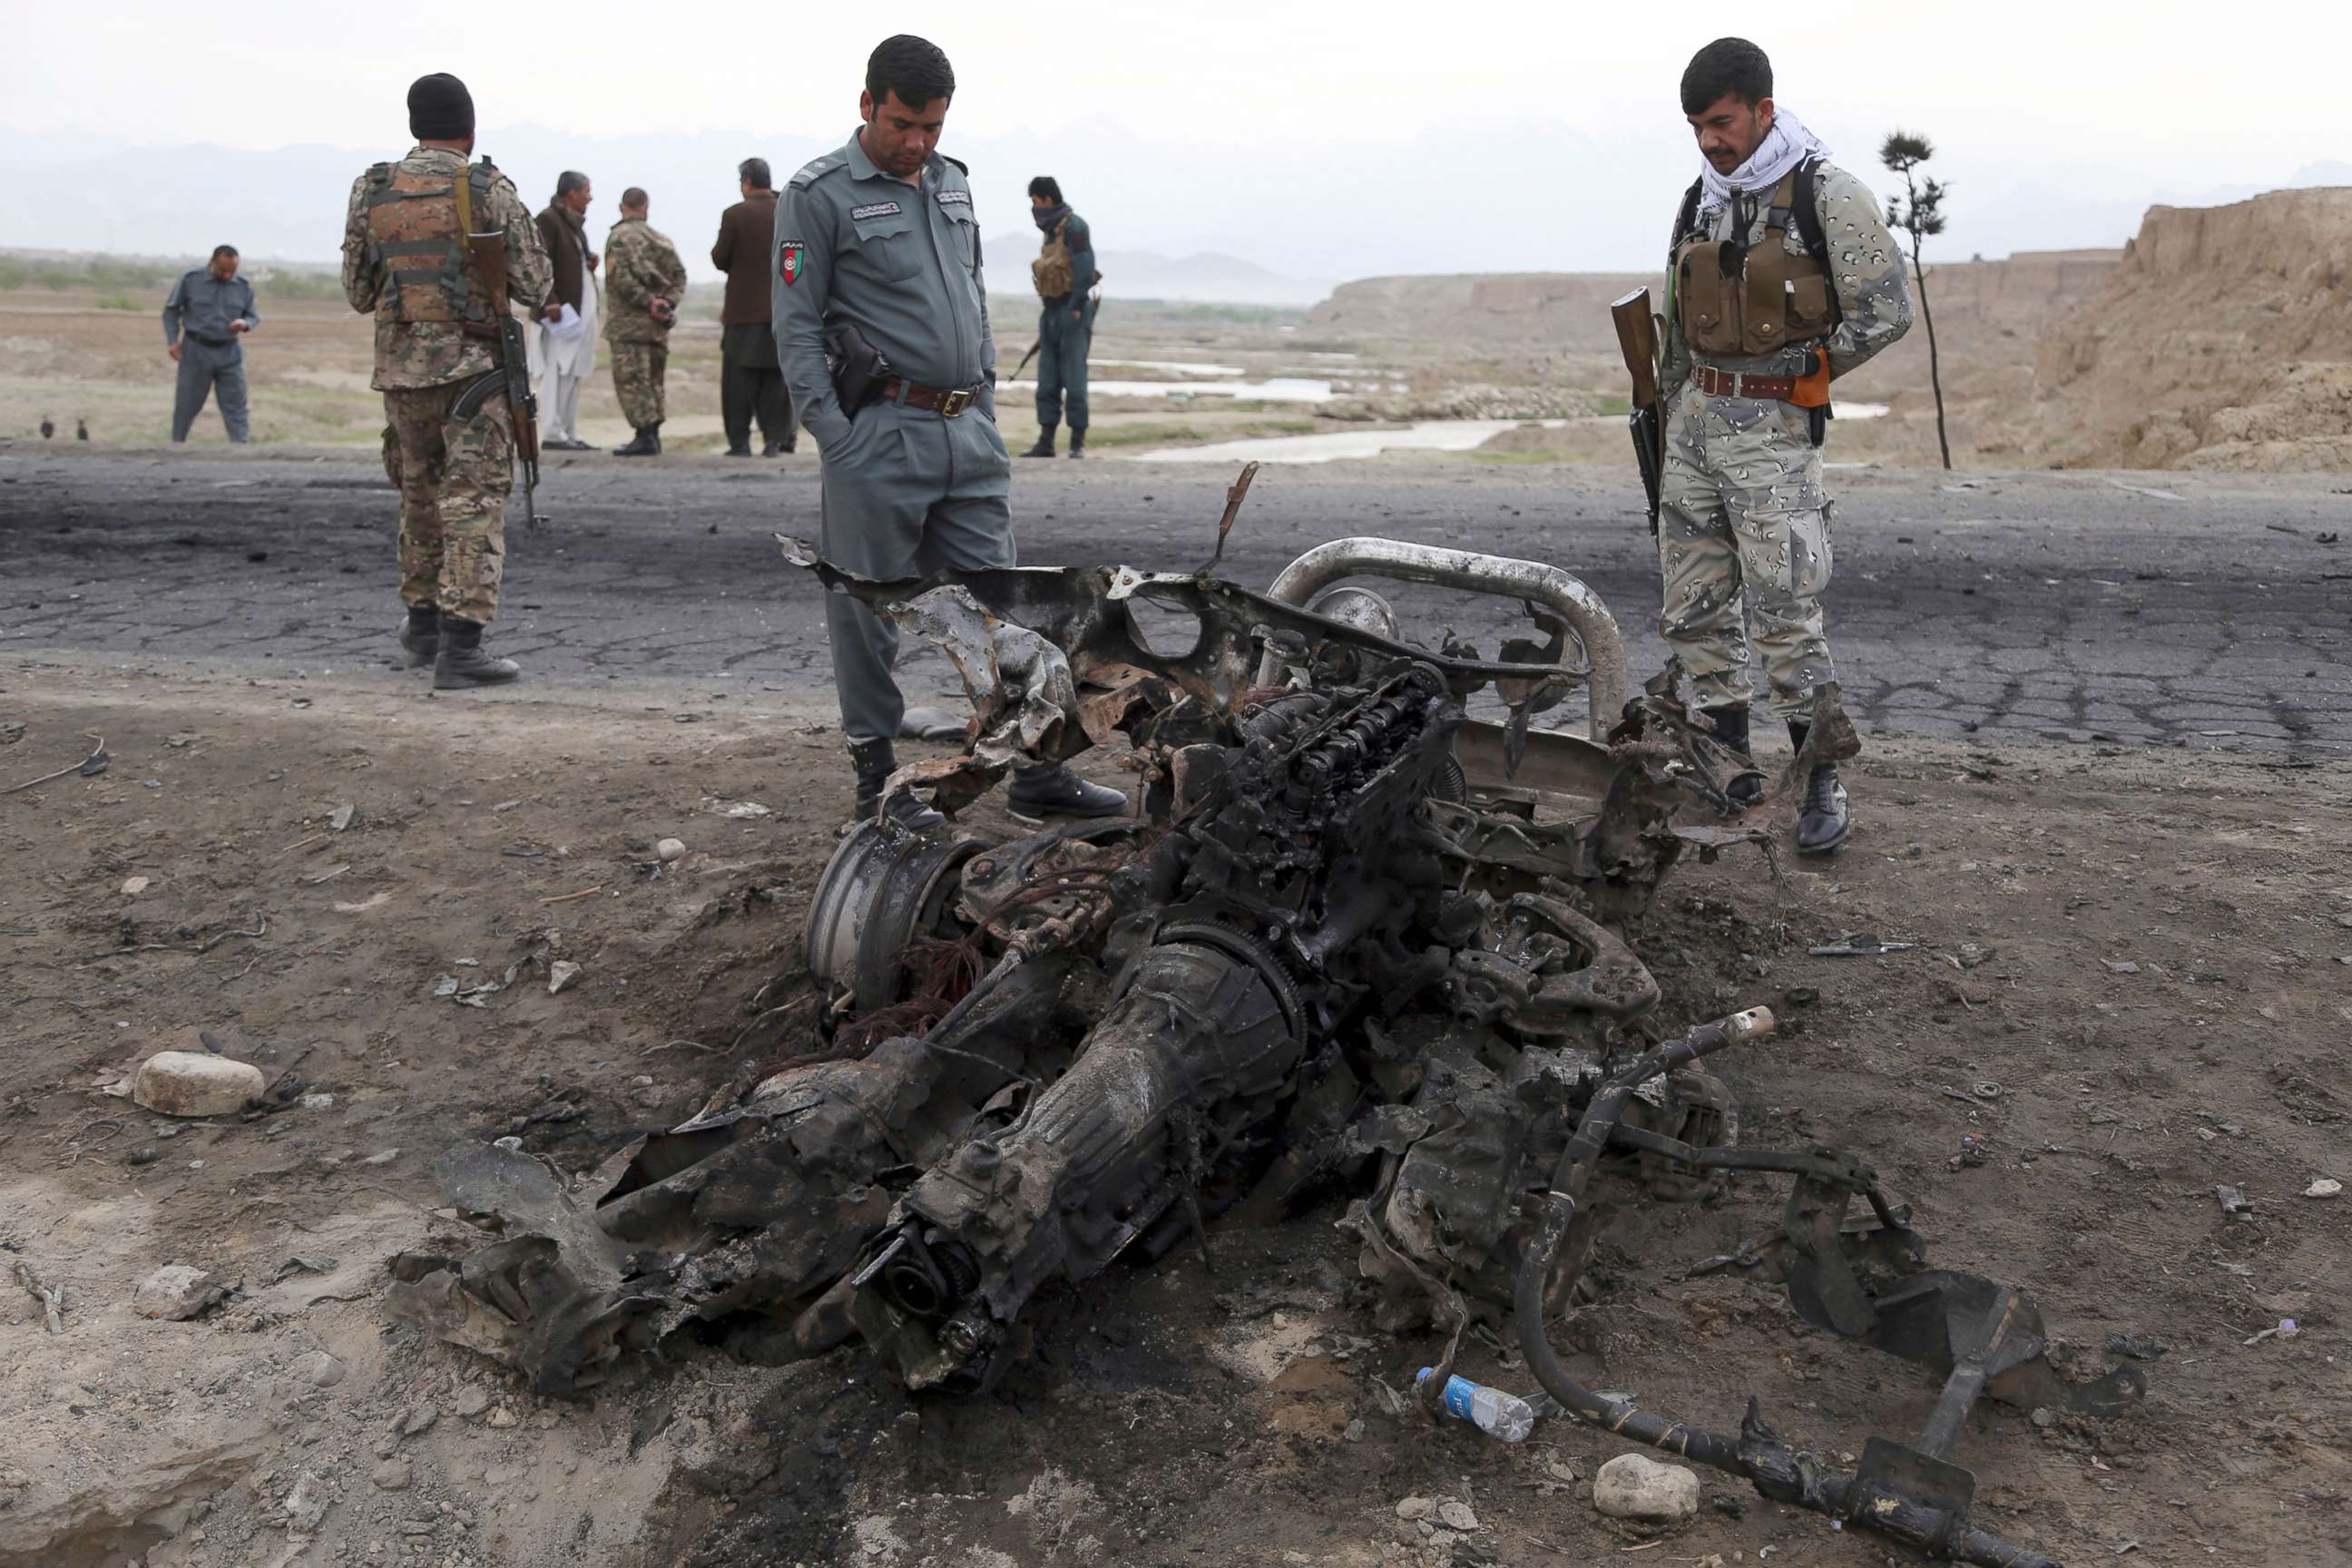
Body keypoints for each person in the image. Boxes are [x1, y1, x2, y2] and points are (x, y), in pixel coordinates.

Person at [774, 34, 1126, 828]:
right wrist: (837, 436)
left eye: (932, 127)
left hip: (966, 432)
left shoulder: (952, 182)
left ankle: (1036, 772)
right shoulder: (818, 193)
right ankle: (878, 788)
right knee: (868, 614)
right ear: (867, 106)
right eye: (902, 125)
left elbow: (971, 288)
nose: (917, 143)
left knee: (1007, 608)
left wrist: (989, 395)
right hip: (880, 433)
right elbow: (795, 328)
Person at [1653, 37, 1911, 855]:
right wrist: (1664, 417)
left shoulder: (1826, 193)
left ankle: (1819, 776)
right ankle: (1728, 763)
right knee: (1692, 608)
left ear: (1764, 109)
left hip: (1771, 433)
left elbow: (1886, 309)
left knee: (1784, 609)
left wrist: (1810, 370)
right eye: (1697, 126)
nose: (1709, 141)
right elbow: (1677, 320)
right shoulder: (1702, 197)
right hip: (1695, 428)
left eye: (1722, 122)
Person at [340, 72, 553, 689]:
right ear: (469, 128)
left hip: (403, 376)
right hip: (474, 379)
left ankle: (423, 625)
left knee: (419, 496)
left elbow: (357, 292)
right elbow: (537, 286)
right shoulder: (487, 188)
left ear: (414, 127)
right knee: (473, 502)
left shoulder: (372, 189)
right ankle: (461, 648)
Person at [712, 157, 794, 456]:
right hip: (780, 311)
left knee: (738, 385)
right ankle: (775, 441)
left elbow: (720, 258)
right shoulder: (787, 210)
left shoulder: (735, 215)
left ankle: (740, 443)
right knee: (776, 382)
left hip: (742, 314)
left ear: (746, 182)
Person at [604, 188, 687, 456]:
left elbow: (620, 280)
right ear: (645, 206)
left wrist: (646, 301)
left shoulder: (618, 238)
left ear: (622, 207)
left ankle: (644, 435)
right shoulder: (661, 240)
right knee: (654, 380)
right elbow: (679, 275)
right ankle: (653, 435)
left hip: (628, 325)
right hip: (656, 327)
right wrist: (667, 304)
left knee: (631, 380)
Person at [1019, 177, 1097, 459]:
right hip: (1050, 310)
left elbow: (1085, 265)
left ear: (1047, 199)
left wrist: (1076, 305)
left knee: (1074, 377)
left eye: (1035, 202)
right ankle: (1046, 442)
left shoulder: (1074, 226)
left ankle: (1077, 443)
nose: (1034, 208)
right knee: (1048, 377)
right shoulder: (1051, 231)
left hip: (1071, 310)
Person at [531, 171, 599, 450]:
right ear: (572, 193)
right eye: (586, 191)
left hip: (578, 312)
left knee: (573, 372)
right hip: (559, 314)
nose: (590, 197)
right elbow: (539, 263)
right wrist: (550, 300)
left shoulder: (574, 225)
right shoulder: (548, 220)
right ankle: (552, 432)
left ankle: (569, 430)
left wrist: (587, 261)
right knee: (555, 372)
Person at [162, 245, 259, 444]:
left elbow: (252, 316)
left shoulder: (242, 285)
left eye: (231, 271)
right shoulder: (191, 279)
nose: (227, 276)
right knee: (187, 404)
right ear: (212, 262)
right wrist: (172, 341)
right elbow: (171, 311)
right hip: (196, 351)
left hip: (229, 353)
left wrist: (245, 323)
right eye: (223, 270)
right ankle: (177, 447)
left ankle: (241, 450)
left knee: (236, 405)